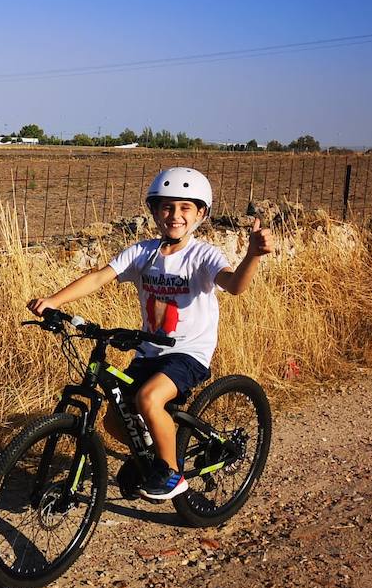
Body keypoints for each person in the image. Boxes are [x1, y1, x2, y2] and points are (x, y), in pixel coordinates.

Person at [28, 167, 274, 500]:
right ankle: (149, 458)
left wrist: (253, 257)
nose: (175, 215)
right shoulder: (143, 253)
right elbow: (99, 277)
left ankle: (171, 474)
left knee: (148, 399)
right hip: (150, 351)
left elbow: (234, 285)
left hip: (188, 352)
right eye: (167, 207)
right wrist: (54, 301)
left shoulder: (202, 255)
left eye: (185, 207)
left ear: (201, 213)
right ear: (155, 211)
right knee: (114, 421)